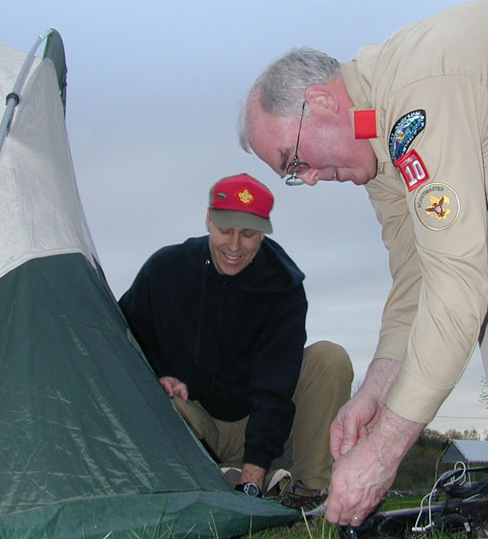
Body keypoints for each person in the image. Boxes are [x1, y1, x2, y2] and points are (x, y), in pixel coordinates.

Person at [238, 0, 488, 527]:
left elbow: (456, 288)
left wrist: (387, 448)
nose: (304, 179)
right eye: (290, 173)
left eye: (294, 159)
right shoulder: (380, 152)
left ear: (320, 102)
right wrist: (375, 393)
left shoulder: (413, 101)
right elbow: (416, 285)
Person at [119, 173, 353, 509]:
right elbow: (122, 340)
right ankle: (186, 487)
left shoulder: (283, 285)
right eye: (225, 230)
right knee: (150, 392)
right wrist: (157, 373)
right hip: (193, 418)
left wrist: (254, 471)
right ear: (208, 220)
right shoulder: (164, 269)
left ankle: (308, 492)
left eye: (248, 234)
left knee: (331, 358)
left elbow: (276, 382)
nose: (234, 245)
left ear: (264, 231)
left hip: (256, 420)